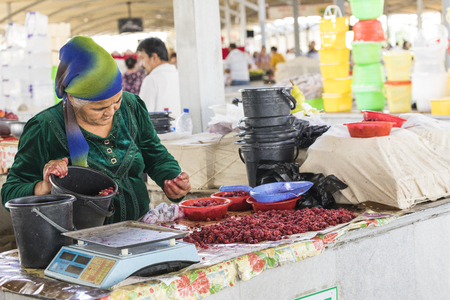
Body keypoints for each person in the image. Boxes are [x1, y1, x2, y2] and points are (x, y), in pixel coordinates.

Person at [1, 36, 191, 224]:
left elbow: (154, 154)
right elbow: (10, 193)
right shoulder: (45, 127)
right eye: (99, 108)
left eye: (117, 100)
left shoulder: (132, 107)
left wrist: (172, 179)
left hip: (140, 228)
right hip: (80, 241)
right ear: (74, 99)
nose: (111, 111)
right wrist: (44, 186)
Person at [137, 38, 182, 119]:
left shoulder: (151, 80)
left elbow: (142, 118)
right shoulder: (178, 75)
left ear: (154, 57)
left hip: (159, 131)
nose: (141, 64)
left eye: (142, 58)